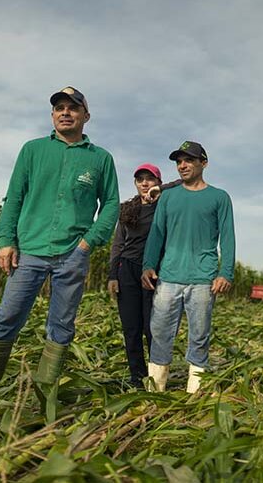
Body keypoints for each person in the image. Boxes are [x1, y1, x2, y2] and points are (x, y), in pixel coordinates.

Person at [0, 86, 119, 420]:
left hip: (72, 255)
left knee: (61, 327)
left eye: (73, 107)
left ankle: (43, 402)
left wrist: (87, 244)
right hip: (30, 253)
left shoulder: (100, 159)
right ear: (53, 115)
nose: (65, 112)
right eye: (59, 108)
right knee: (5, 321)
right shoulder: (33, 150)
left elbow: (110, 204)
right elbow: (15, 197)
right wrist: (5, 240)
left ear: (85, 115)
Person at [141, 141, 235, 394]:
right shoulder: (169, 196)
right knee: (159, 332)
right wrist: (148, 264)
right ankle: (156, 389)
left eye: (189, 160)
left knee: (199, 335)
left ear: (203, 163)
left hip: (202, 279)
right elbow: (157, 235)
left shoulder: (219, 198)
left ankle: (194, 392)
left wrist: (225, 272)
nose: (182, 165)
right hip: (169, 276)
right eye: (179, 161)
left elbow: (227, 237)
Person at [107, 164, 180, 388]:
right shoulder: (127, 208)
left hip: (154, 272)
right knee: (131, 328)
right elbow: (118, 244)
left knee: (153, 327)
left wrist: (160, 189)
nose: (144, 183)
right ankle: (136, 377)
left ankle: (155, 376)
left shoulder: (165, 205)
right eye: (140, 179)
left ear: (157, 181)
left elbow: (183, 182)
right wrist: (113, 275)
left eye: (150, 179)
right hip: (127, 270)